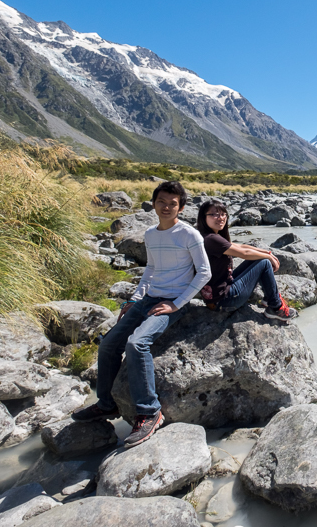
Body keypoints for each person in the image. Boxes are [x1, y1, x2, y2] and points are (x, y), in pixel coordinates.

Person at [71, 181, 210, 447]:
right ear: (154, 203)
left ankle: (149, 412)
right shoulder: (151, 233)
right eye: (162, 202)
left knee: (137, 344)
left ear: (180, 207)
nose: (167, 207)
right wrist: (134, 299)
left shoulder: (189, 235)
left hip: (171, 303)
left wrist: (177, 304)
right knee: (109, 344)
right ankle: (107, 404)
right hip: (147, 299)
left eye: (173, 203)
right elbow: (151, 269)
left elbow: (205, 272)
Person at [196, 199, 298, 321]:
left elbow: (240, 246)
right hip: (225, 300)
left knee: (258, 259)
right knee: (264, 262)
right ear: (204, 217)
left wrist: (265, 252)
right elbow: (244, 253)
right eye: (214, 214)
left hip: (217, 297)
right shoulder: (211, 239)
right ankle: (276, 308)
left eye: (223, 214)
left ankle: (269, 298)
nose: (221, 218)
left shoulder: (207, 236)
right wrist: (268, 257)